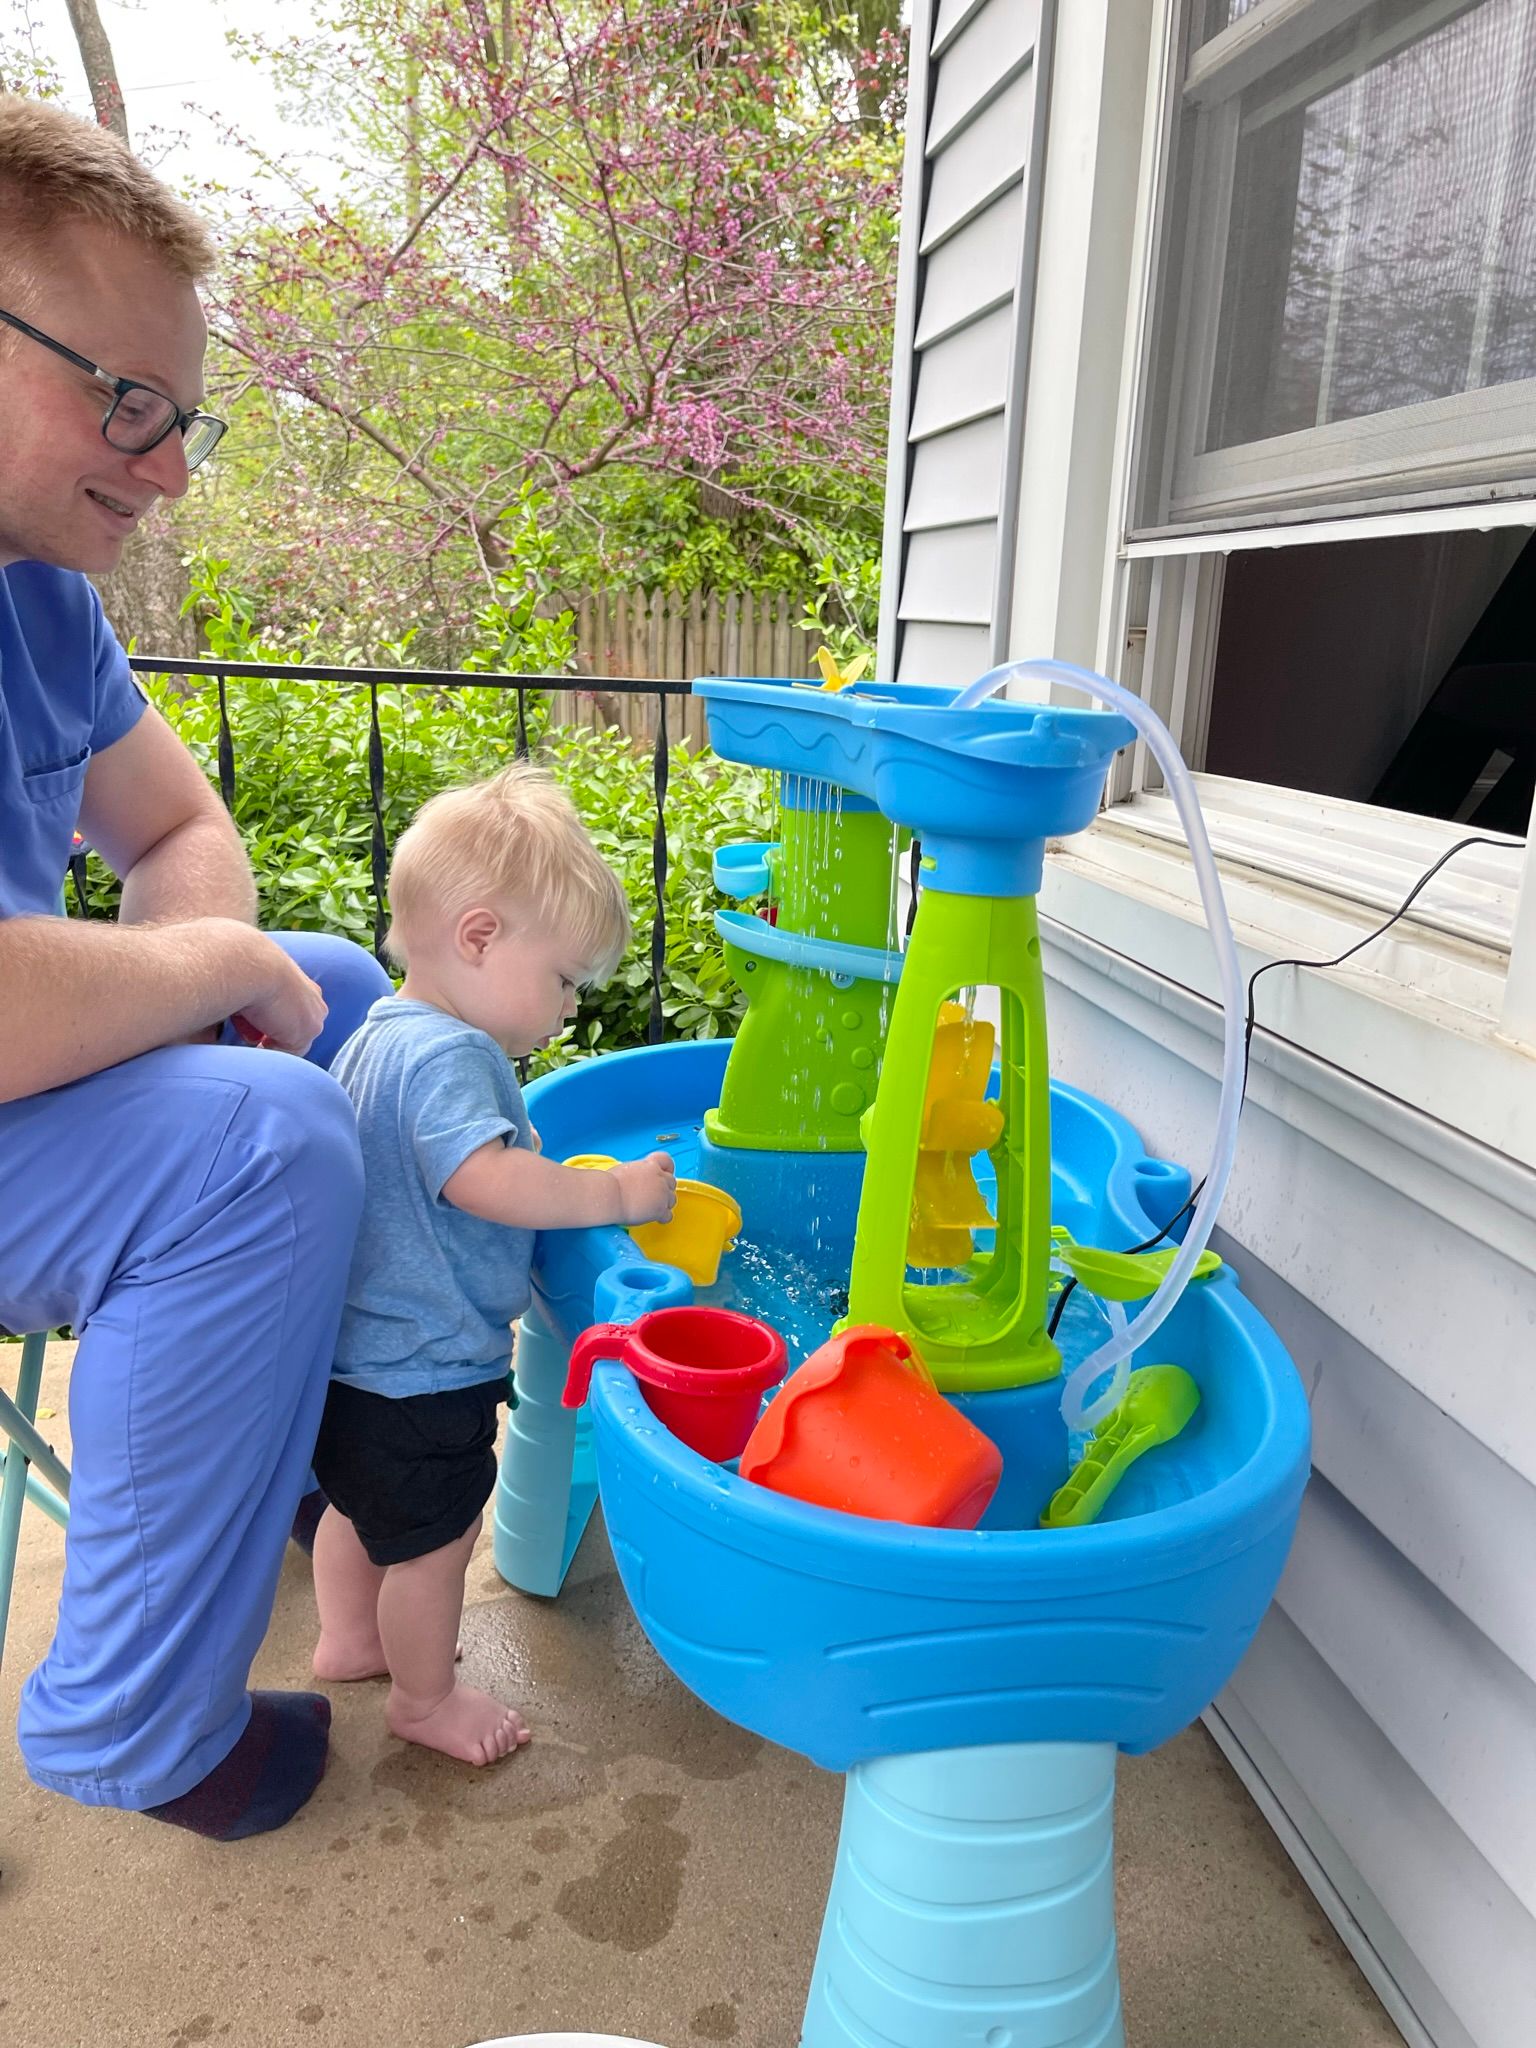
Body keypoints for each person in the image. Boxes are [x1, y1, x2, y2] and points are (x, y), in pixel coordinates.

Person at [0, 95, 393, 1836]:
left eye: (179, 416)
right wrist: (205, 970)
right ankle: (142, 1731)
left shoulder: (38, 597)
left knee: (342, 992)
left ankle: (300, 1457)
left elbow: (175, 824)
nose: (166, 471)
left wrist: (199, 968)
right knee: (261, 1138)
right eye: (124, 401)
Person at [309, 763, 676, 1765]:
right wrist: (615, 1195)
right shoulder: (453, 1057)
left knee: (357, 1509)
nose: (568, 1007)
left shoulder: (379, 1034)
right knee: (435, 1546)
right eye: (562, 980)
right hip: (424, 1373)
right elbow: (484, 1178)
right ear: (479, 936)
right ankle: (425, 1699)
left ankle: (349, 1639)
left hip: (352, 1367)